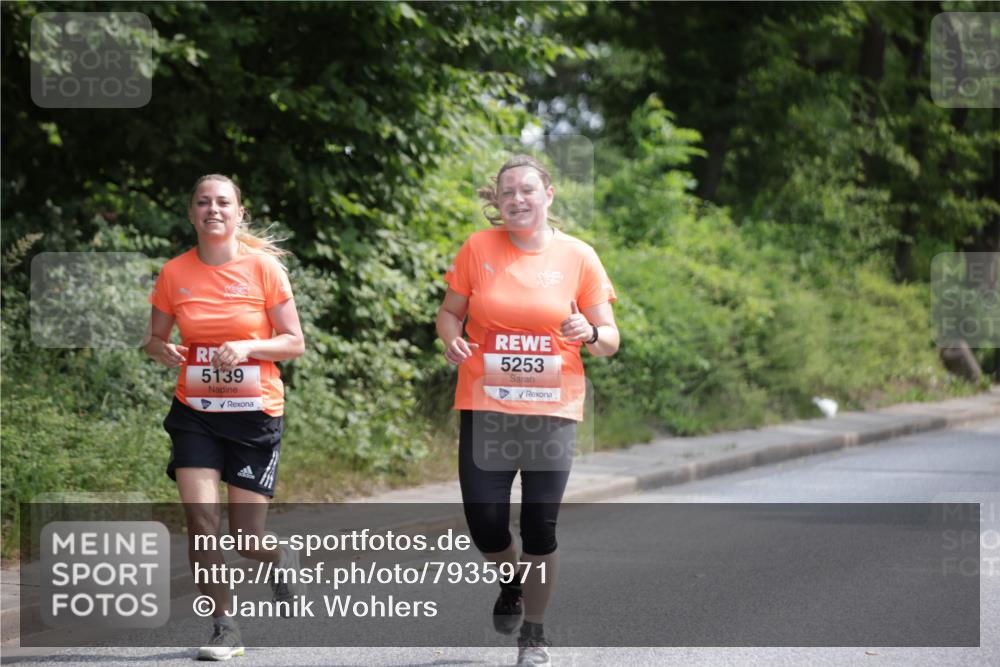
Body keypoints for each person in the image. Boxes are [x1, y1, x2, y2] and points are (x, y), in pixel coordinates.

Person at [436, 155, 619, 667]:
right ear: (497, 201)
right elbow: (450, 312)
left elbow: (611, 339)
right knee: (485, 522)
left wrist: (592, 333)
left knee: (540, 525)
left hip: (552, 408)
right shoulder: (478, 248)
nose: (517, 199)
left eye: (527, 190)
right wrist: (452, 340)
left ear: (549, 195)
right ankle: (509, 580)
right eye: (507, 192)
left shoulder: (579, 256)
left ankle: (534, 635)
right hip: (485, 402)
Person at [144, 174, 306, 661]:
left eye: (222, 202)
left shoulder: (264, 269)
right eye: (202, 202)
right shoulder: (174, 273)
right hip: (195, 411)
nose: (213, 209)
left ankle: (278, 560)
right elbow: (152, 340)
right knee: (200, 520)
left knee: (247, 538)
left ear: (239, 213)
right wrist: (163, 350)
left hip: (255, 414)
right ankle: (223, 626)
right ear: (192, 214)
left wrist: (249, 345)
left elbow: (294, 342)